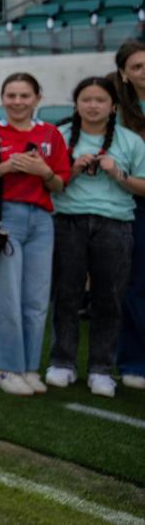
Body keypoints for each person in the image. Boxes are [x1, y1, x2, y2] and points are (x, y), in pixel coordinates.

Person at [0, 73, 70, 396]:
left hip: (42, 220)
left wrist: (43, 172)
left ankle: (28, 366)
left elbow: (59, 183)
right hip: (3, 217)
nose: (17, 102)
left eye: (24, 95)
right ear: (2, 99)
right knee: (6, 298)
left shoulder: (50, 134)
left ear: (37, 98)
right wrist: (8, 167)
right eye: (11, 95)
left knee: (36, 299)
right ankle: (6, 367)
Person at [48, 76, 145, 397]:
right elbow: (49, 183)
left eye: (100, 100)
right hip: (68, 222)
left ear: (113, 106)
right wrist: (73, 169)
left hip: (115, 224)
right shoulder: (59, 137)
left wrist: (119, 174)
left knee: (110, 298)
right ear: (76, 105)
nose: (92, 106)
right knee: (67, 294)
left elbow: (143, 185)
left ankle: (101, 368)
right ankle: (62, 362)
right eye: (86, 100)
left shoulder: (131, 141)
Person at [113, 41, 145, 390]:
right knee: (136, 285)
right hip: (135, 204)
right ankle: (134, 361)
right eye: (136, 66)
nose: (144, 71)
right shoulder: (119, 112)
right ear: (124, 73)